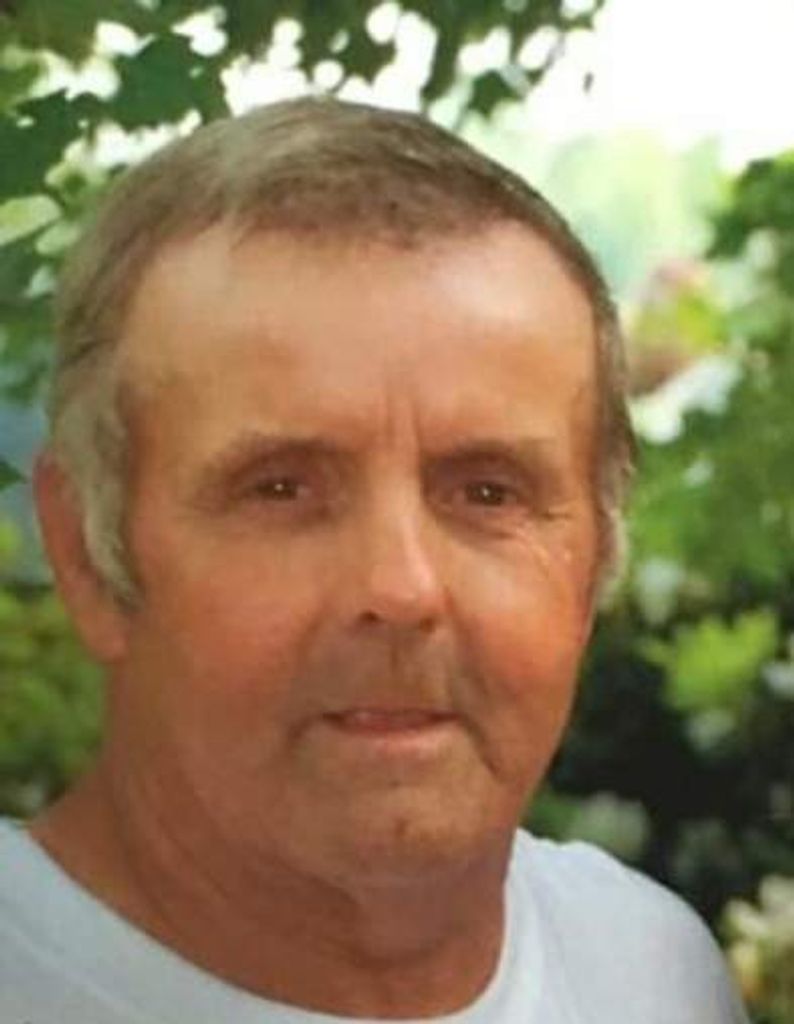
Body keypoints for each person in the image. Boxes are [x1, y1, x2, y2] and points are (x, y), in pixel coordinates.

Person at [0, 96, 748, 1023]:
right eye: (281, 489)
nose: (401, 588)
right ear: (86, 552)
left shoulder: (652, 974)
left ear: (595, 559)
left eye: (488, 492)